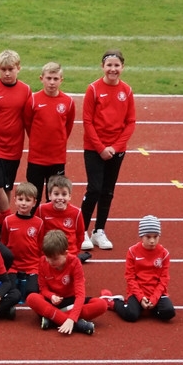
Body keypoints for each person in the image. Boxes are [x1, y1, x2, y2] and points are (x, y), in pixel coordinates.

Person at [80, 49, 136, 252]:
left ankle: (99, 230)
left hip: (116, 150)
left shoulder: (127, 91)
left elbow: (130, 122)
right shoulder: (93, 89)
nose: (113, 69)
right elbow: (87, 121)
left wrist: (115, 147)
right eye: (109, 65)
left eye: (117, 65)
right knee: (94, 189)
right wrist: (101, 148)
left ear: (123, 67)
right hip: (94, 149)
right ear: (102, 67)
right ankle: (81, 231)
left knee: (108, 191)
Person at [0, 50, 31, 219]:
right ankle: (9, 217)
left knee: (7, 186)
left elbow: (28, 118)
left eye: (11, 69)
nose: (7, 73)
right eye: (3, 69)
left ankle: (2, 222)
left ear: (18, 68)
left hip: (14, 146)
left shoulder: (26, 90)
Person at [25, 230, 106, 335]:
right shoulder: (42, 261)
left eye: (55, 259)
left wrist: (71, 319)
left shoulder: (75, 263)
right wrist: (51, 296)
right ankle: (77, 324)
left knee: (101, 304)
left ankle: (52, 318)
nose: (50, 262)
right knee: (32, 298)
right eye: (47, 257)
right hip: (52, 302)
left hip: (70, 301)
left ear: (66, 253)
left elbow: (80, 294)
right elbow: (43, 288)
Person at [23, 62, 75, 208]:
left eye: (55, 79)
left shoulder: (68, 102)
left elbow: (68, 127)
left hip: (57, 158)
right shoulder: (33, 100)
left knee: (54, 198)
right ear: (41, 79)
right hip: (36, 158)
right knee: (33, 197)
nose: (52, 82)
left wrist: (59, 141)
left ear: (61, 80)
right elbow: (28, 124)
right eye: (49, 78)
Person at [106, 215, 173, 322]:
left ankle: (148, 307)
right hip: (137, 291)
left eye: (155, 237)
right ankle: (114, 302)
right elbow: (130, 277)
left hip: (157, 293)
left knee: (169, 312)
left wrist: (154, 298)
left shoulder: (164, 253)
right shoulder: (132, 251)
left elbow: (164, 279)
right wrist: (140, 297)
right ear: (141, 236)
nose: (152, 241)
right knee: (131, 315)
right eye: (148, 237)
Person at [0, 182, 43, 299]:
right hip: (13, 266)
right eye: (20, 199)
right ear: (15, 200)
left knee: (32, 291)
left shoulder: (39, 223)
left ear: (34, 202)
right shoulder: (8, 221)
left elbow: (40, 246)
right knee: (11, 291)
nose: (23, 203)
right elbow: (4, 244)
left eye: (28, 200)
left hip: (32, 266)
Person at [37, 174, 87, 260]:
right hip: (48, 254)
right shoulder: (42, 209)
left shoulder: (76, 212)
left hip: (69, 253)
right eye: (56, 194)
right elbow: (38, 233)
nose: (60, 198)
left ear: (69, 196)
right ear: (49, 195)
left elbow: (80, 235)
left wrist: (75, 252)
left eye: (64, 194)